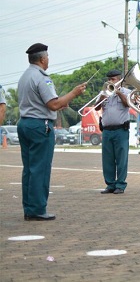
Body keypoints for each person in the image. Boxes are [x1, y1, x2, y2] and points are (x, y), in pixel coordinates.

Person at [16, 43, 86, 220]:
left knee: (30, 169)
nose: (48, 60)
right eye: (47, 57)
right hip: (40, 126)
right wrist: (74, 93)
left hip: (25, 123)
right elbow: (53, 104)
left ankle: (29, 208)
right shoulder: (42, 77)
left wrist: (62, 101)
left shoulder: (25, 76)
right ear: (42, 59)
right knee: (40, 168)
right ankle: (38, 209)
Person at [97, 69, 131, 195]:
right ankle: (110, 184)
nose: (111, 81)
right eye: (109, 79)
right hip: (107, 130)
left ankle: (120, 184)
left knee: (121, 158)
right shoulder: (104, 92)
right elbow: (96, 107)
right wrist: (102, 96)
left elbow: (128, 104)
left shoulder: (126, 92)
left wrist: (118, 92)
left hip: (121, 130)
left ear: (119, 80)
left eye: (114, 79)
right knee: (107, 159)